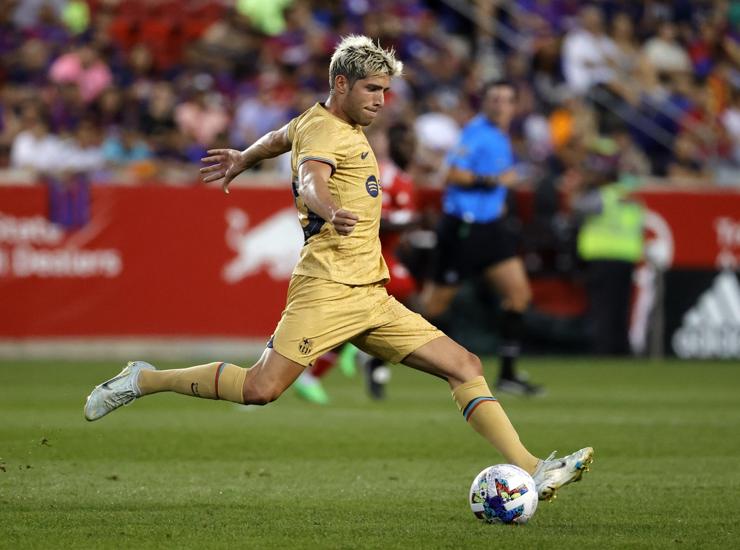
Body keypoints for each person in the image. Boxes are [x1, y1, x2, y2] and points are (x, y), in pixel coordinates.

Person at [84, 35, 592, 502]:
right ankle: (144, 379)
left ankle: (534, 468)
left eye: (387, 90)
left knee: (465, 367)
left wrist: (244, 156)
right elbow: (310, 178)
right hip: (326, 288)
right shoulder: (329, 132)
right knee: (260, 389)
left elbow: (283, 136)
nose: (380, 100)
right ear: (341, 84)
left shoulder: (316, 119)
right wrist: (327, 208)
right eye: (371, 88)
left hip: (370, 294)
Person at [422, 79, 544, 397]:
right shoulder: (475, 133)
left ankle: (507, 374)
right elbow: (452, 174)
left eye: (505, 100)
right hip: (463, 228)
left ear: (514, 106)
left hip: (491, 228)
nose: (499, 105)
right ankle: (377, 359)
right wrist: (492, 181)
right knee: (435, 306)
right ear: (484, 103)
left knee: (519, 295)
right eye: (494, 99)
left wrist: (499, 197)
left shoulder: (501, 136)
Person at [292, 121, 423, 403]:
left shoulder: (401, 177)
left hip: (381, 253)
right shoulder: (376, 173)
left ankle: (357, 356)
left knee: (374, 309)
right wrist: (402, 221)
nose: (408, 148)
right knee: (405, 296)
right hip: (366, 253)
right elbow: (374, 218)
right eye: (402, 142)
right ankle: (365, 356)